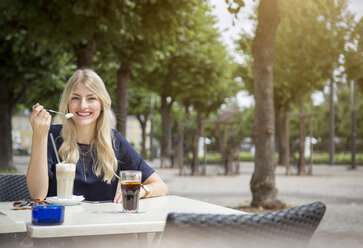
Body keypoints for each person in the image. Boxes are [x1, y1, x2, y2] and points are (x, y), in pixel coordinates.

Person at [26, 68, 168, 202]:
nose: (83, 105)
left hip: (102, 226)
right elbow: (37, 194)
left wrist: (142, 190)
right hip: (60, 223)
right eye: (75, 98)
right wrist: (39, 136)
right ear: (67, 104)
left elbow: (160, 185)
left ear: (102, 104)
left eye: (91, 98)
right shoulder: (51, 135)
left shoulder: (114, 141)